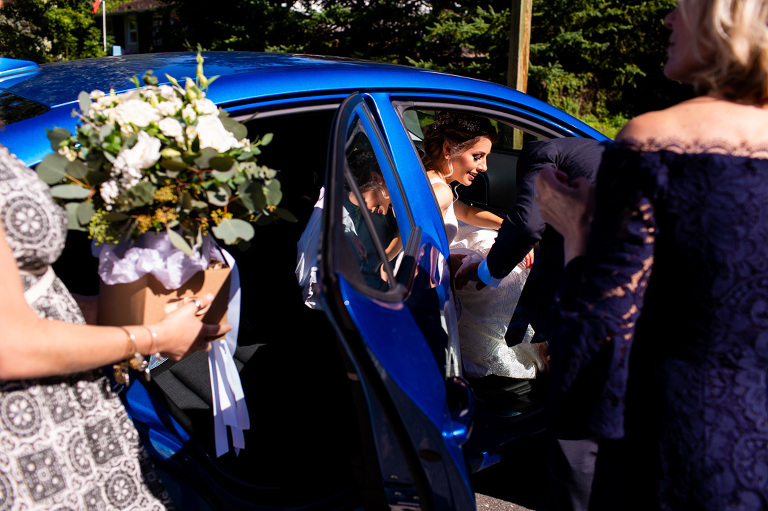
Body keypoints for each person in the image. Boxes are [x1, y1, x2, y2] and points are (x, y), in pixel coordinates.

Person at [536, 0, 768, 508]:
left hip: (693, 455)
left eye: (681, 6)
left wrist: (577, 228)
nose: (666, 19)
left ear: (726, 16)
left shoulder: (656, 143)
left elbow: (596, 355)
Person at [0, 143, 229, 509]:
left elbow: (21, 296)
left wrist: (115, 311)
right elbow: (8, 343)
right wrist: (155, 337)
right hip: (30, 424)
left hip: (66, 403)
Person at [421, 111, 547, 379]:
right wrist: (445, 261)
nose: (484, 167)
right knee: (509, 278)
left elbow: (464, 211)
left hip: (451, 255)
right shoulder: (438, 191)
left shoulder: (438, 183)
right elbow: (415, 242)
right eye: (477, 157)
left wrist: (510, 229)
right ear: (448, 149)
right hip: (440, 272)